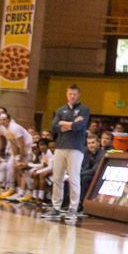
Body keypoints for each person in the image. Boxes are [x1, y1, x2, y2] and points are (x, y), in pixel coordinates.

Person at [41, 84, 89, 220]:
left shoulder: (84, 109)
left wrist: (64, 123)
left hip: (76, 147)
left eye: (74, 94)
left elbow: (80, 125)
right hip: (60, 147)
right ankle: (56, 207)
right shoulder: (60, 109)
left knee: (74, 178)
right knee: (57, 178)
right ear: (66, 94)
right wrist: (70, 124)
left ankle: (73, 208)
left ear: (78, 94)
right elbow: (54, 127)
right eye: (70, 94)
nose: (72, 96)